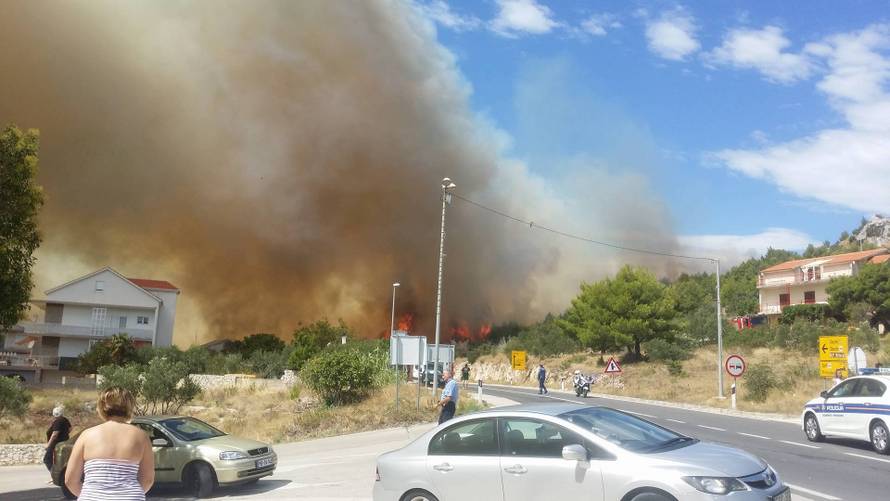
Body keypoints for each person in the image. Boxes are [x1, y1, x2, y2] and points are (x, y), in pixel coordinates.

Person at [65, 386, 154, 500]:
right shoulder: (141, 436)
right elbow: (147, 479)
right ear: (129, 406)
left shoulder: (86, 435)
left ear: (101, 407)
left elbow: (70, 480)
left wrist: (92, 495)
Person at [44, 405, 72, 475]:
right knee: (59, 461)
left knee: (47, 459)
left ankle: (54, 475)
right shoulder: (65, 420)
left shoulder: (58, 421)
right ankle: (59, 476)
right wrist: (64, 434)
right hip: (63, 443)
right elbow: (70, 428)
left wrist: (48, 445)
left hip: (55, 443)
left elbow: (54, 434)